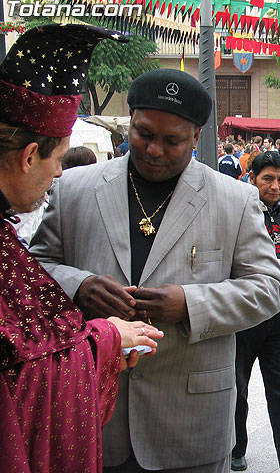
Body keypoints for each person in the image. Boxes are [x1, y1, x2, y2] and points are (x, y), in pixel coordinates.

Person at [30, 68, 280, 473]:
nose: (153, 150)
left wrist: (190, 304)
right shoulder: (72, 189)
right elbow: (33, 269)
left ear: (196, 137)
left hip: (191, 423)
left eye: (172, 141)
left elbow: (270, 288)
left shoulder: (235, 200)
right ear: (131, 121)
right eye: (143, 134)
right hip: (91, 415)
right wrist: (79, 286)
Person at [0, 24, 163, 473]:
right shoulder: (75, 189)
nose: (58, 175)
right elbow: (21, 372)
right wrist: (107, 337)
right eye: (57, 160)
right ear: (29, 156)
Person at [232, 152, 280, 473]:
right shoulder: (237, 215)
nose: (275, 186)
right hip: (243, 320)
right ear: (253, 178)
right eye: (268, 179)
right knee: (236, 388)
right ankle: (235, 450)